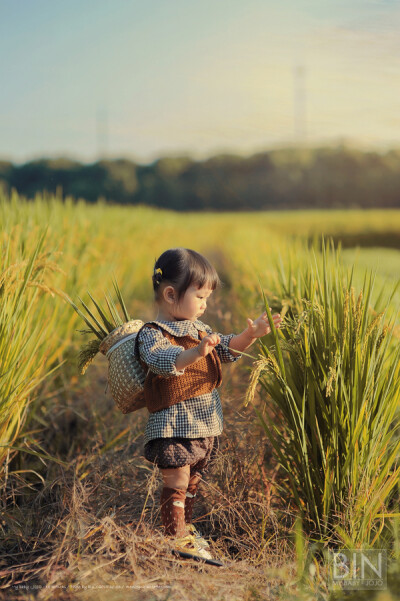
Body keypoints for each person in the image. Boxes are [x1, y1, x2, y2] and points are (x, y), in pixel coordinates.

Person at [134, 247, 282, 559]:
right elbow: (164, 361)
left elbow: (226, 348)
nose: (205, 305)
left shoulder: (200, 330)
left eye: (208, 298)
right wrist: (196, 353)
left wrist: (250, 335)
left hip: (204, 425)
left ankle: (185, 530)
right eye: (200, 296)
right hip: (174, 424)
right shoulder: (152, 333)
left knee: (193, 481)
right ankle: (174, 538)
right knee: (177, 477)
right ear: (171, 294)